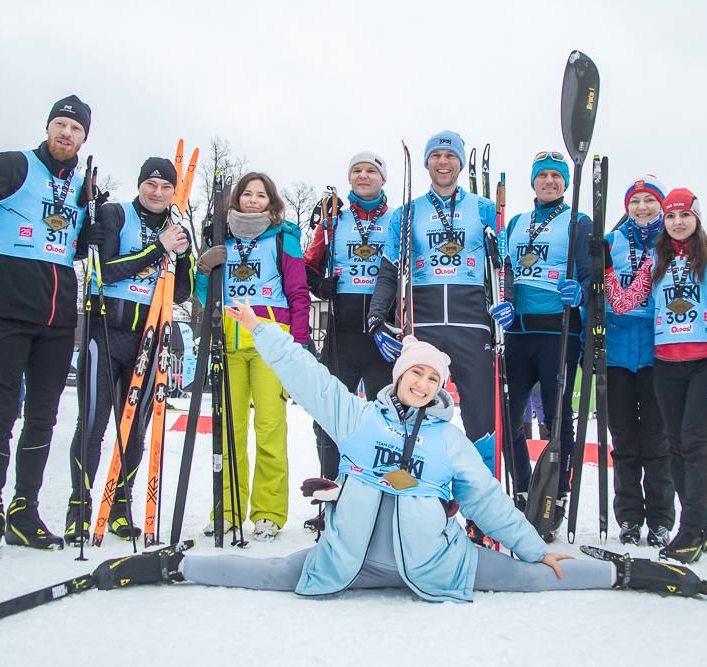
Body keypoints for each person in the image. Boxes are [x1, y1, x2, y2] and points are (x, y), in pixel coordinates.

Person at [92, 298, 701, 602]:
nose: (422, 384)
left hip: (437, 567)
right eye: (415, 374)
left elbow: (488, 501)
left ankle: (631, 574)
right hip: (346, 564)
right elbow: (307, 375)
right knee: (263, 575)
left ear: (440, 388)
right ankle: (172, 566)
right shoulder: (357, 418)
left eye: (433, 379)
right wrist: (260, 329)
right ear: (400, 375)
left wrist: (533, 548)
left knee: (534, 576)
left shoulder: (449, 440)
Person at [0, 94, 100, 560]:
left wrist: (92, 234)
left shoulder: (82, 186)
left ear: (84, 137)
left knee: (44, 419)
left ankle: (23, 513)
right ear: (48, 128)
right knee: (1, 415)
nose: (66, 134)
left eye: (75, 128)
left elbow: (80, 244)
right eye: (60, 125)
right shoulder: (16, 165)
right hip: (9, 310)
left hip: (57, 319)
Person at [365, 131, 505, 545]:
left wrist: (506, 302)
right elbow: (390, 270)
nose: (443, 163)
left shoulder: (482, 209)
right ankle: (416, 502)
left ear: (460, 164)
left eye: (450, 156)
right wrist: (377, 316)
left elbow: (502, 267)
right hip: (423, 323)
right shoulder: (406, 213)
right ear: (427, 164)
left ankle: (483, 515)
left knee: (482, 419)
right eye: (436, 156)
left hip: (472, 322)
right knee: (417, 416)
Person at [64, 157, 194, 545]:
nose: (157, 192)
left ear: (174, 192)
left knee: (135, 429)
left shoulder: (174, 228)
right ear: (140, 185)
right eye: (150, 184)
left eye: (165, 187)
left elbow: (183, 291)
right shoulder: (113, 215)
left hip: (148, 338)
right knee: (92, 422)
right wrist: (158, 248)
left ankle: (120, 504)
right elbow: (105, 268)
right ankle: (79, 507)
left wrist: (182, 255)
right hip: (104, 330)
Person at [604, 188, 707, 564]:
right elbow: (624, 302)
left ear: (696, 218)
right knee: (677, 445)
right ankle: (694, 526)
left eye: (683, 215)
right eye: (673, 217)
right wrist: (608, 269)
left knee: (691, 443)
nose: (677, 222)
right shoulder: (656, 259)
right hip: (667, 359)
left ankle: (691, 526)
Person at [195, 172, 311, 542]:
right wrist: (203, 269)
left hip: (270, 344)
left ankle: (268, 513)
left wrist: (299, 344)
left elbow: (298, 293)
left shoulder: (283, 240)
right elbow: (204, 297)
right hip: (228, 343)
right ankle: (227, 509)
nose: (253, 200)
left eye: (261, 195)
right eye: (247, 194)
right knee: (229, 431)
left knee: (270, 430)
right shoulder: (221, 239)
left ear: (271, 202)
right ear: (236, 199)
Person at [302, 152, 395, 531]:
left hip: (382, 335)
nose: (363, 175)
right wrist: (317, 285)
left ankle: (384, 501)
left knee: (386, 420)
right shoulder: (333, 219)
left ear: (383, 179)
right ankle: (330, 498)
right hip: (341, 333)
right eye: (356, 170)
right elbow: (307, 266)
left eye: (371, 170)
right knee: (330, 418)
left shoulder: (397, 219)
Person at [502, 150, 592, 539]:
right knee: (509, 419)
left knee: (557, 421)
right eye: (543, 177)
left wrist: (581, 293)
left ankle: (556, 495)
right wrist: (502, 299)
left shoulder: (579, 222)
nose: (550, 182)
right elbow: (504, 270)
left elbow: (592, 277)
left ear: (565, 183)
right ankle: (524, 489)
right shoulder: (518, 223)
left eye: (557, 177)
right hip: (518, 332)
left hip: (559, 332)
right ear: (534, 182)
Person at [603, 176, 674, 547]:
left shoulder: (672, 242)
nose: (642, 207)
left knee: (657, 442)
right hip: (616, 356)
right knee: (624, 441)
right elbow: (595, 292)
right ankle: (629, 517)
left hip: (658, 355)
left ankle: (661, 519)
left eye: (649, 200)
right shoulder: (612, 242)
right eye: (635, 201)